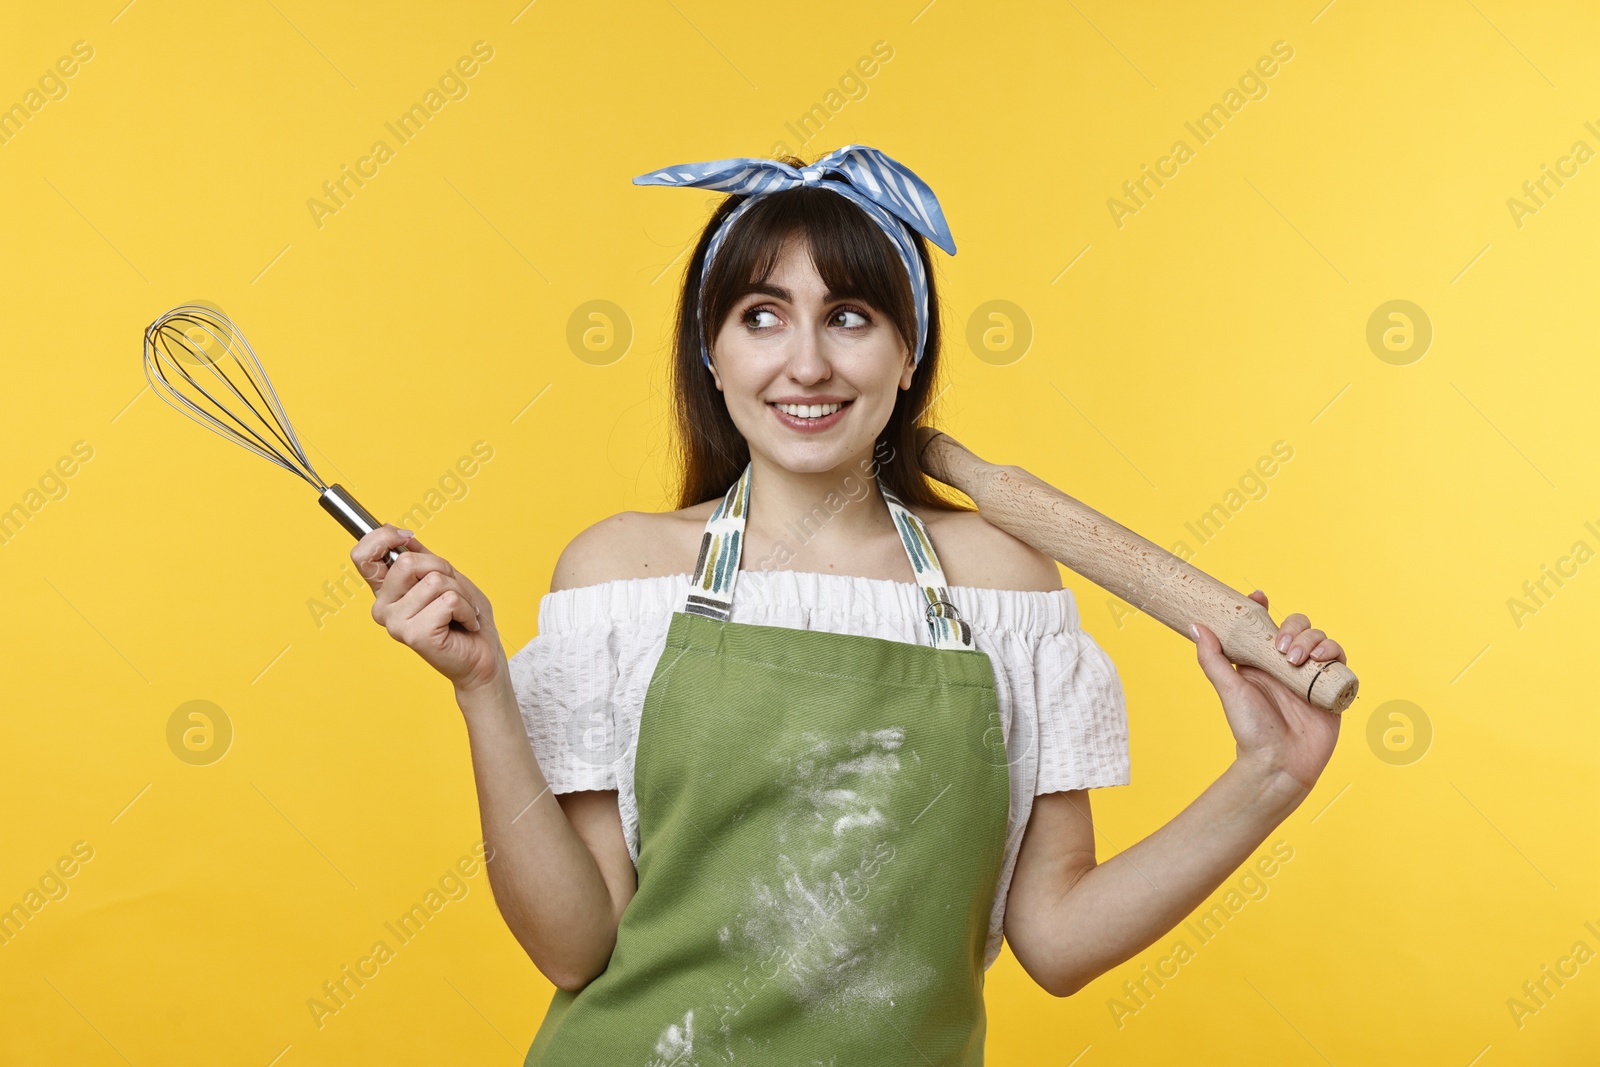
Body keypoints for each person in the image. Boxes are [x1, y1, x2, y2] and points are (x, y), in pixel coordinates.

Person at [349, 145, 1346, 1065]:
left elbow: (1057, 940)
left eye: (851, 317)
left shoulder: (1001, 584)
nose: (808, 363)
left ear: (908, 354)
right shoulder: (620, 574)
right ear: (712, 349)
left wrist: (1267, 776)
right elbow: (575, 947)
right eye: (763, 315)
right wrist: (483, 687)